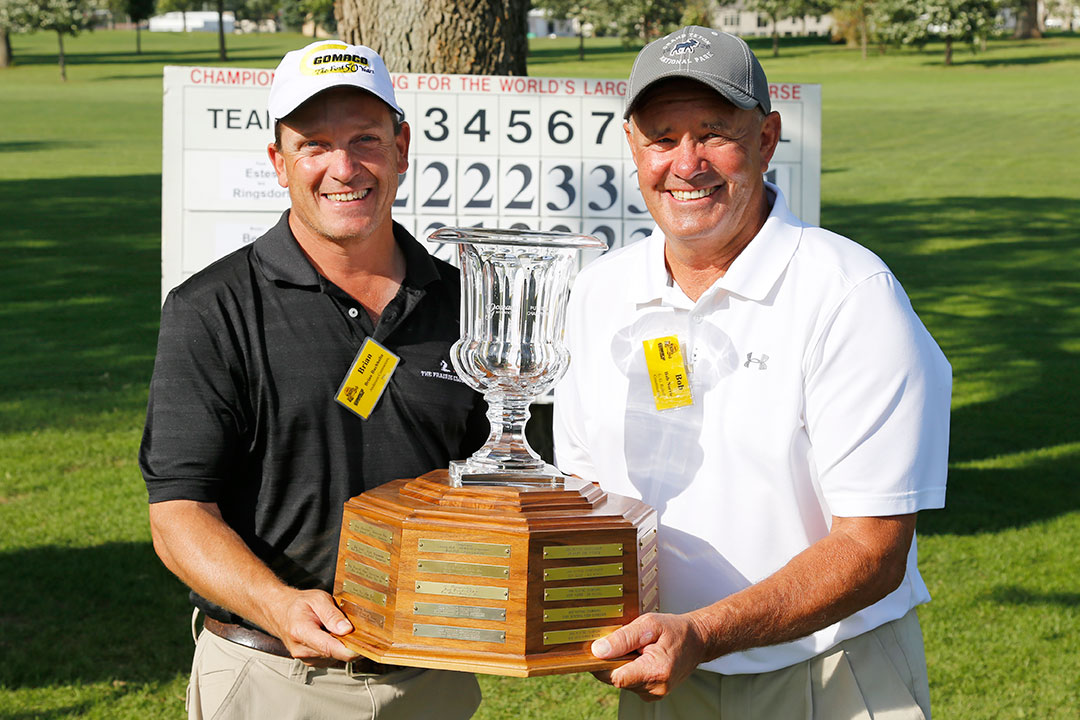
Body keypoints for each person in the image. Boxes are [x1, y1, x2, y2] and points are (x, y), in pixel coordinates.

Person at [553, 26, 951, 720]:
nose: (687, 162)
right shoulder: (599, 291)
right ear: (633, 146)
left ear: (766, 138)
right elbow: (589, 498)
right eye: (662, 136)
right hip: (661, 675)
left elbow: (873, 547)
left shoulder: (850, 292)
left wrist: (702, 633)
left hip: (828, 676)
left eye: (714, 132)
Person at [140, 40, 487, 720]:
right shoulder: (211, 309)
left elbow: (501, 483)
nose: (344, 168)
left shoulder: (468, 302)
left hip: (434, 680)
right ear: (279, 163)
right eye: (314, 145)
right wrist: (278, 604)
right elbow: (178, 515)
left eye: (366, 140)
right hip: (272, 679)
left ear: (402, 149)